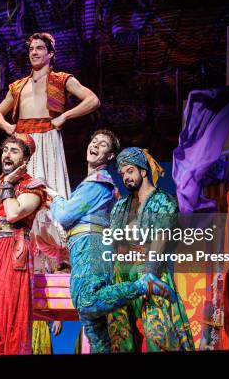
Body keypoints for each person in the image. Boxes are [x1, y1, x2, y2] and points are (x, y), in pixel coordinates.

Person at [48, 131, 177, 353]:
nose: (96, 145)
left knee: (87, 303)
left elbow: (63, 216)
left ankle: (143, 285)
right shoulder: (93, 185)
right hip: (87, 249)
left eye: (103, 144)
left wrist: (56, 199)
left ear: (110, 156)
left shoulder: (97, 184)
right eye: (94, 141)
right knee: (95, 331)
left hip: (92, 249)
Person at [0, 32, 100, 199]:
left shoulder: (61, 79)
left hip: (48, 136)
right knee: (19, 187)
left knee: (50, 187)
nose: (34, 52)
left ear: (50, 54)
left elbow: (93, 100)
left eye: (40, 48)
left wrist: (65, 116)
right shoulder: (17, 86)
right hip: (22, 140)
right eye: (31, 49)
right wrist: (7, 126)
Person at [107, 147, 194, 352]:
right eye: (122, 174)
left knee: (159, 333)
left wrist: (150, 274)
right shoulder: (121, 206)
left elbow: (161, 238)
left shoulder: (163, 201)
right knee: (120, 337)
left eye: (129, 171)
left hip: (150, 272)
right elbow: (113, 241)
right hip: (122, 274)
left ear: (143, 171)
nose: (125, 177)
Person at [0, 134, 46, 355]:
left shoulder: (32, 186)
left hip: (12, 252)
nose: (7, 154)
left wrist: (9, 184)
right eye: (6, 150)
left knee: (11, 319)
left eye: (14, 151)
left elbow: (13, 213)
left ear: (25, 159)